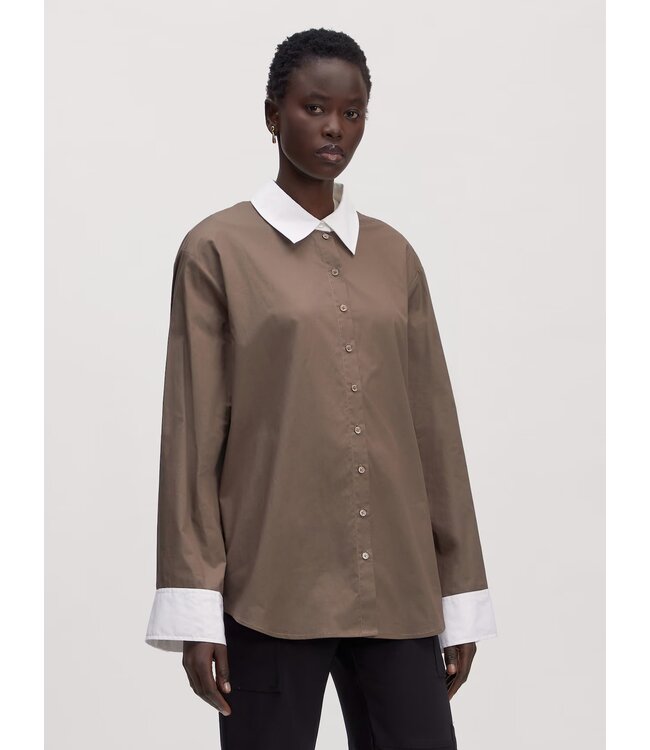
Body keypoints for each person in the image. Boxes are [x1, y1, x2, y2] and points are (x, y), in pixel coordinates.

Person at [145, 27, 497, 750]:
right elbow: (192, 436)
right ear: (272, 114)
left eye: (352, 112)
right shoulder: (217, 250)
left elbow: (434, 431)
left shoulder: (395, 256)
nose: (335, 127)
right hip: (270, 589)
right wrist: (195, 607)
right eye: (314, 107)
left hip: (399, 589)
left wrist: (459, 592)